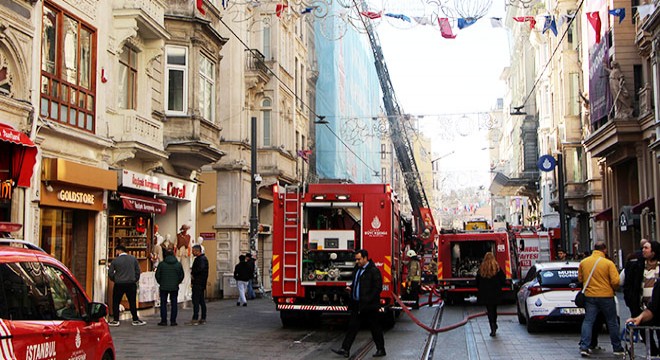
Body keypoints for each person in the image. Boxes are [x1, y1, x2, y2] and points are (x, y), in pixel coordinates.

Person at [332, 249, 386, 358]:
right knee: (352, 327)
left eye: (359, 259)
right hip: (357, 304)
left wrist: (367, 299)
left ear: (365, 258)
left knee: (375, 328)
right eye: (356, 259)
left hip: (369, 306)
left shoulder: (373, 271)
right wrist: (351, 289)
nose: (357, 261)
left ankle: (381, 349)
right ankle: (345, 349)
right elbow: (356, 283)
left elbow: (377, 288)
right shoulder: (357, 269)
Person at [577, 241, 623, 357]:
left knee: (588, 321)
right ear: (604, 250)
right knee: (612, 322)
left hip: (590, 296)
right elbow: (616, 281)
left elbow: (580, 279)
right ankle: (617, 348)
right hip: (606, 296)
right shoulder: (608, 263)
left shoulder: (584, 262)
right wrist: (613, 288)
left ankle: (585, 346)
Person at [107, 245, 146, 326]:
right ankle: (135, 319)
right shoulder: (133, 259)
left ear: (118, 251)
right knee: (132, 301)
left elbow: (110, 273)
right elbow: (138, 271)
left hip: (119, 284)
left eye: (116, 251)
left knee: (116, 301)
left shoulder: (115, 261)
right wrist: (135, 279)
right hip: (131, 283)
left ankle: (115, 320)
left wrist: (115, 279)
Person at [475, 252, 505, 337]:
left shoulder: (482, 269)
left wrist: (480, 288)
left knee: (489, 310)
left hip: (485, 294)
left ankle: (492, 327)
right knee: (494, 310)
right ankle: (494, 324)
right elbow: (503, 279)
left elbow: (477, 281)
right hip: (495, 293)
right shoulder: (497, 268)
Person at [155, 246, 184, 326]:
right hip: (174, 286)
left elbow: (157, 275)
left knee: (163, 303)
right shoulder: (178, 264)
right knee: (174, 303)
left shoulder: (162, 264)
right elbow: (181, 275)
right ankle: (173, 320)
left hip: (163, 286)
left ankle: (163, 320)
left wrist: (160, 282)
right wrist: (177, 282)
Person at [187, 244, 209, 325]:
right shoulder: (202, 259)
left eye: (193, 251)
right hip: (201, 283)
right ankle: (203, 317)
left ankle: (195, 318)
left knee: (196, 300)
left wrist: (193, 273)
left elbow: (200, 269)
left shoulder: (200, 259)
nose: (192, 253)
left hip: (198, 282)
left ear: (197, 251)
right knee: (200, 300)